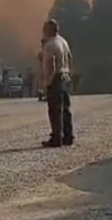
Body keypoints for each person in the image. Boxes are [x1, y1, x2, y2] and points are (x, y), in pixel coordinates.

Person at [40, 19, 73, 147]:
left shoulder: (50, 44)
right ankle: (68, 136)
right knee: (66, 109)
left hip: (56, 78)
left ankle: (56, 138)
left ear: (48, 30)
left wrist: (48, 81)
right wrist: (69, 74)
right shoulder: (63, 42)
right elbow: (70, 58)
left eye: (44, 29)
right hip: (65, 76)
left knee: (54, 110)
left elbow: (52, 63)